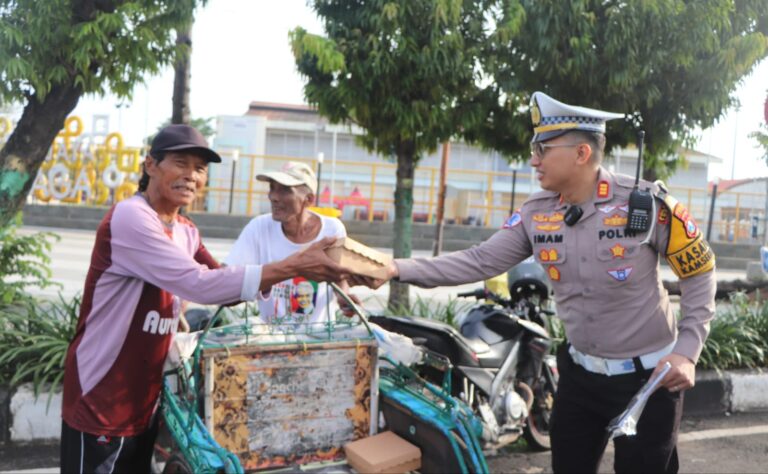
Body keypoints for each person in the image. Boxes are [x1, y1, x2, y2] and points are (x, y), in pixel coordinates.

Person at [351, 92, 716, 473]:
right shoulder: (536, 213)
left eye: (543, 149)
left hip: (649, 381)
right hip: (580, 378)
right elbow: (479, 260)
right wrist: (394, 268)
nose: (533, 160)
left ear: (581, 153)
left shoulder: (644, 204)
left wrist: (687, 350)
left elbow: (700, 269)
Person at [60, 125, 348, 473]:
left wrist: (315, 272)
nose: (191, 176)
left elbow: (224, 285)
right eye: (180, 163)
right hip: (102, 396)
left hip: (142, 397)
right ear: (150, 165)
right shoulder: (132, 217)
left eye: (199, 169)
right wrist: (295, 264)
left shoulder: (186, 229)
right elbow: (200, 285)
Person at [225, 161, 356, 329]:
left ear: (308, 200)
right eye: (272, 188)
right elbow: (228, 279)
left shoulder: (332, 229)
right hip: (269, 336)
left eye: (285, 190)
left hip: (317, 336)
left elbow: (338, 275)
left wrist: (343, 296)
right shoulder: (258, 227)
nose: (273, 197)